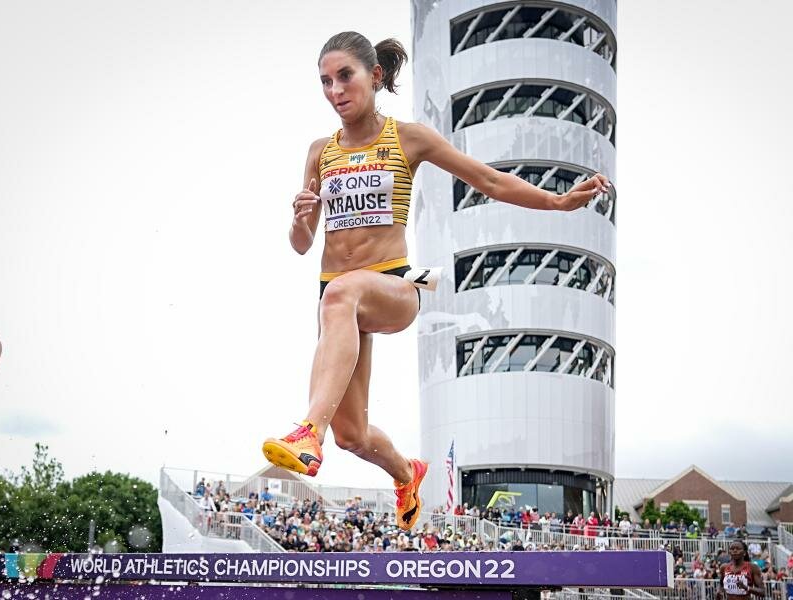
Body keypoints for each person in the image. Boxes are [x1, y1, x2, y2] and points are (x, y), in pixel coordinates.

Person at [261, 31, 610, 532]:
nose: (335, 90)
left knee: (340, 296)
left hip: (392, 285)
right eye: (325, 82)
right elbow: (301, 243)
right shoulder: (321, 152)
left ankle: (305, 432)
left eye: (345, 76)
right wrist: (300, 217)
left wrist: (556, 201)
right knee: (352, 435)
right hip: (337, 298)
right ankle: (406, 472)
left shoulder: (408, 137)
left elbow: (488, 180)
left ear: (374, 76)